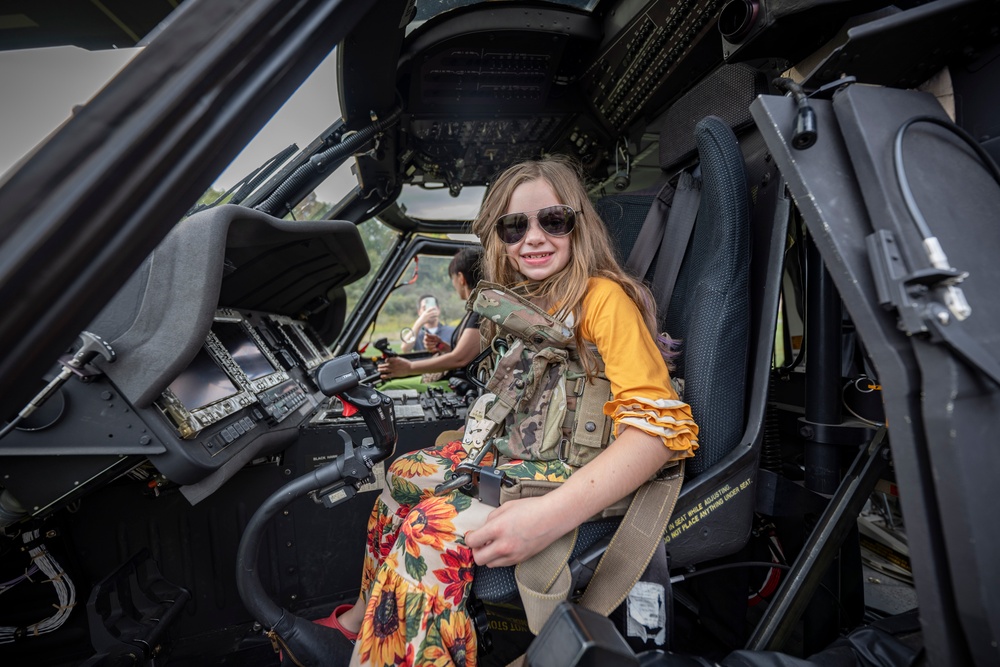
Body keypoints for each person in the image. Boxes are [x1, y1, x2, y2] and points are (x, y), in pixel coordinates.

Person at [326, 156, 699, 666]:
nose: (534, 237)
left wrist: (547, 518)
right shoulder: (528, 301)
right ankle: (364, 621)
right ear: (498, 238)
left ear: (578, 225)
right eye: (514, 226)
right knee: (402, 476)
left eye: (553, 220)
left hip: (575, 474)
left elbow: (657, 434)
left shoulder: (604, 299)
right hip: (522, 456)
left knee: (427, 528)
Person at [378, 247, 484, 381]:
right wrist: (443, 346)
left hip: (462, 382)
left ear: (461, 278)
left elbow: (460, 359)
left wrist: (409, 367)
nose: (453, 284)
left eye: (453, 278)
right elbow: (470, 353)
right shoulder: (476, 309)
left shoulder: (480, 312)